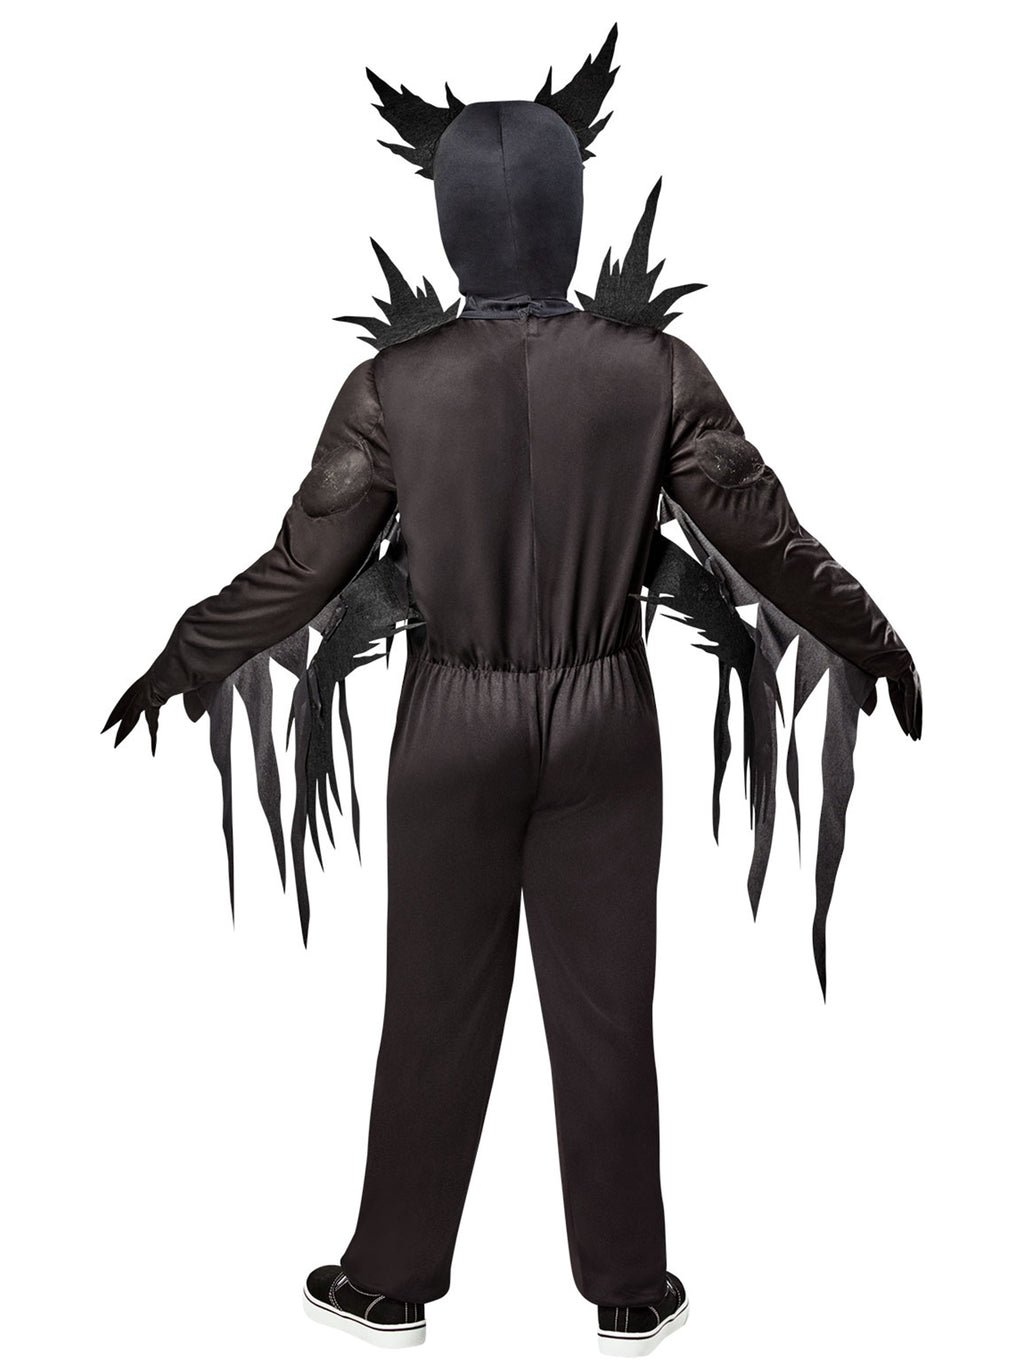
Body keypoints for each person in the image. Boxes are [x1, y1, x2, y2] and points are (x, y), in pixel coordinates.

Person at [103, 34, 920, 1359]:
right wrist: (869, 638)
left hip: (452, 722)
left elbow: (304, 569)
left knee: (432, 1006)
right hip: (606, 718)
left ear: (453, 228)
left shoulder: (390, 386)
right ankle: (631, 1288)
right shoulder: (657, 370)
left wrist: (187, 655)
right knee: (607, 1008)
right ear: (569, 216)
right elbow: (765, 539)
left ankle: (388, 1283)